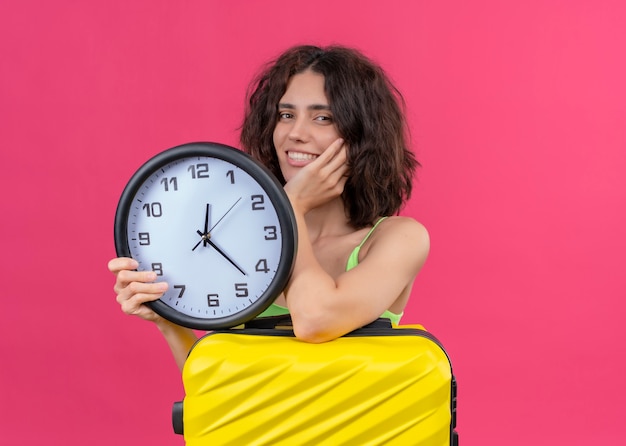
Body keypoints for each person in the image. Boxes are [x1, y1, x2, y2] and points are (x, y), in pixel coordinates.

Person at [108, 45, 430, 371]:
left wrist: (292, 205)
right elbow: (215, 387)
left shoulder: (400, 239)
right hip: (249, 424)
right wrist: (167, 319)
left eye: (323, 118)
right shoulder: (235, 238)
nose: (295, 133)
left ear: (362, 134)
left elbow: (314, 320)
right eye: (286, 115)